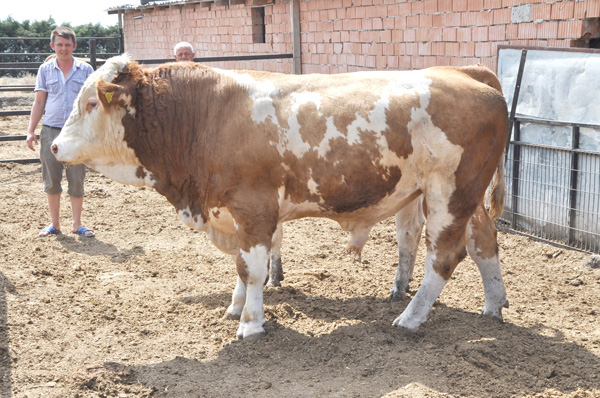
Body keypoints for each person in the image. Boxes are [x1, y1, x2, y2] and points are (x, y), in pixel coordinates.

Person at [25, 27, 95, 238]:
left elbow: (95, 100)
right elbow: (39, 102)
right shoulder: (45, 70)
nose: (63, 48)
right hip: (51, 130)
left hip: (76, 132)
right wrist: (31, 131)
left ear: (74, 46)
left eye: (67, 45)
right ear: (52, 46)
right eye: (59, 45)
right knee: (51, 179)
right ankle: (54, 224)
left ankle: (77, 224)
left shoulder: (86, 70)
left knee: (77, 177)